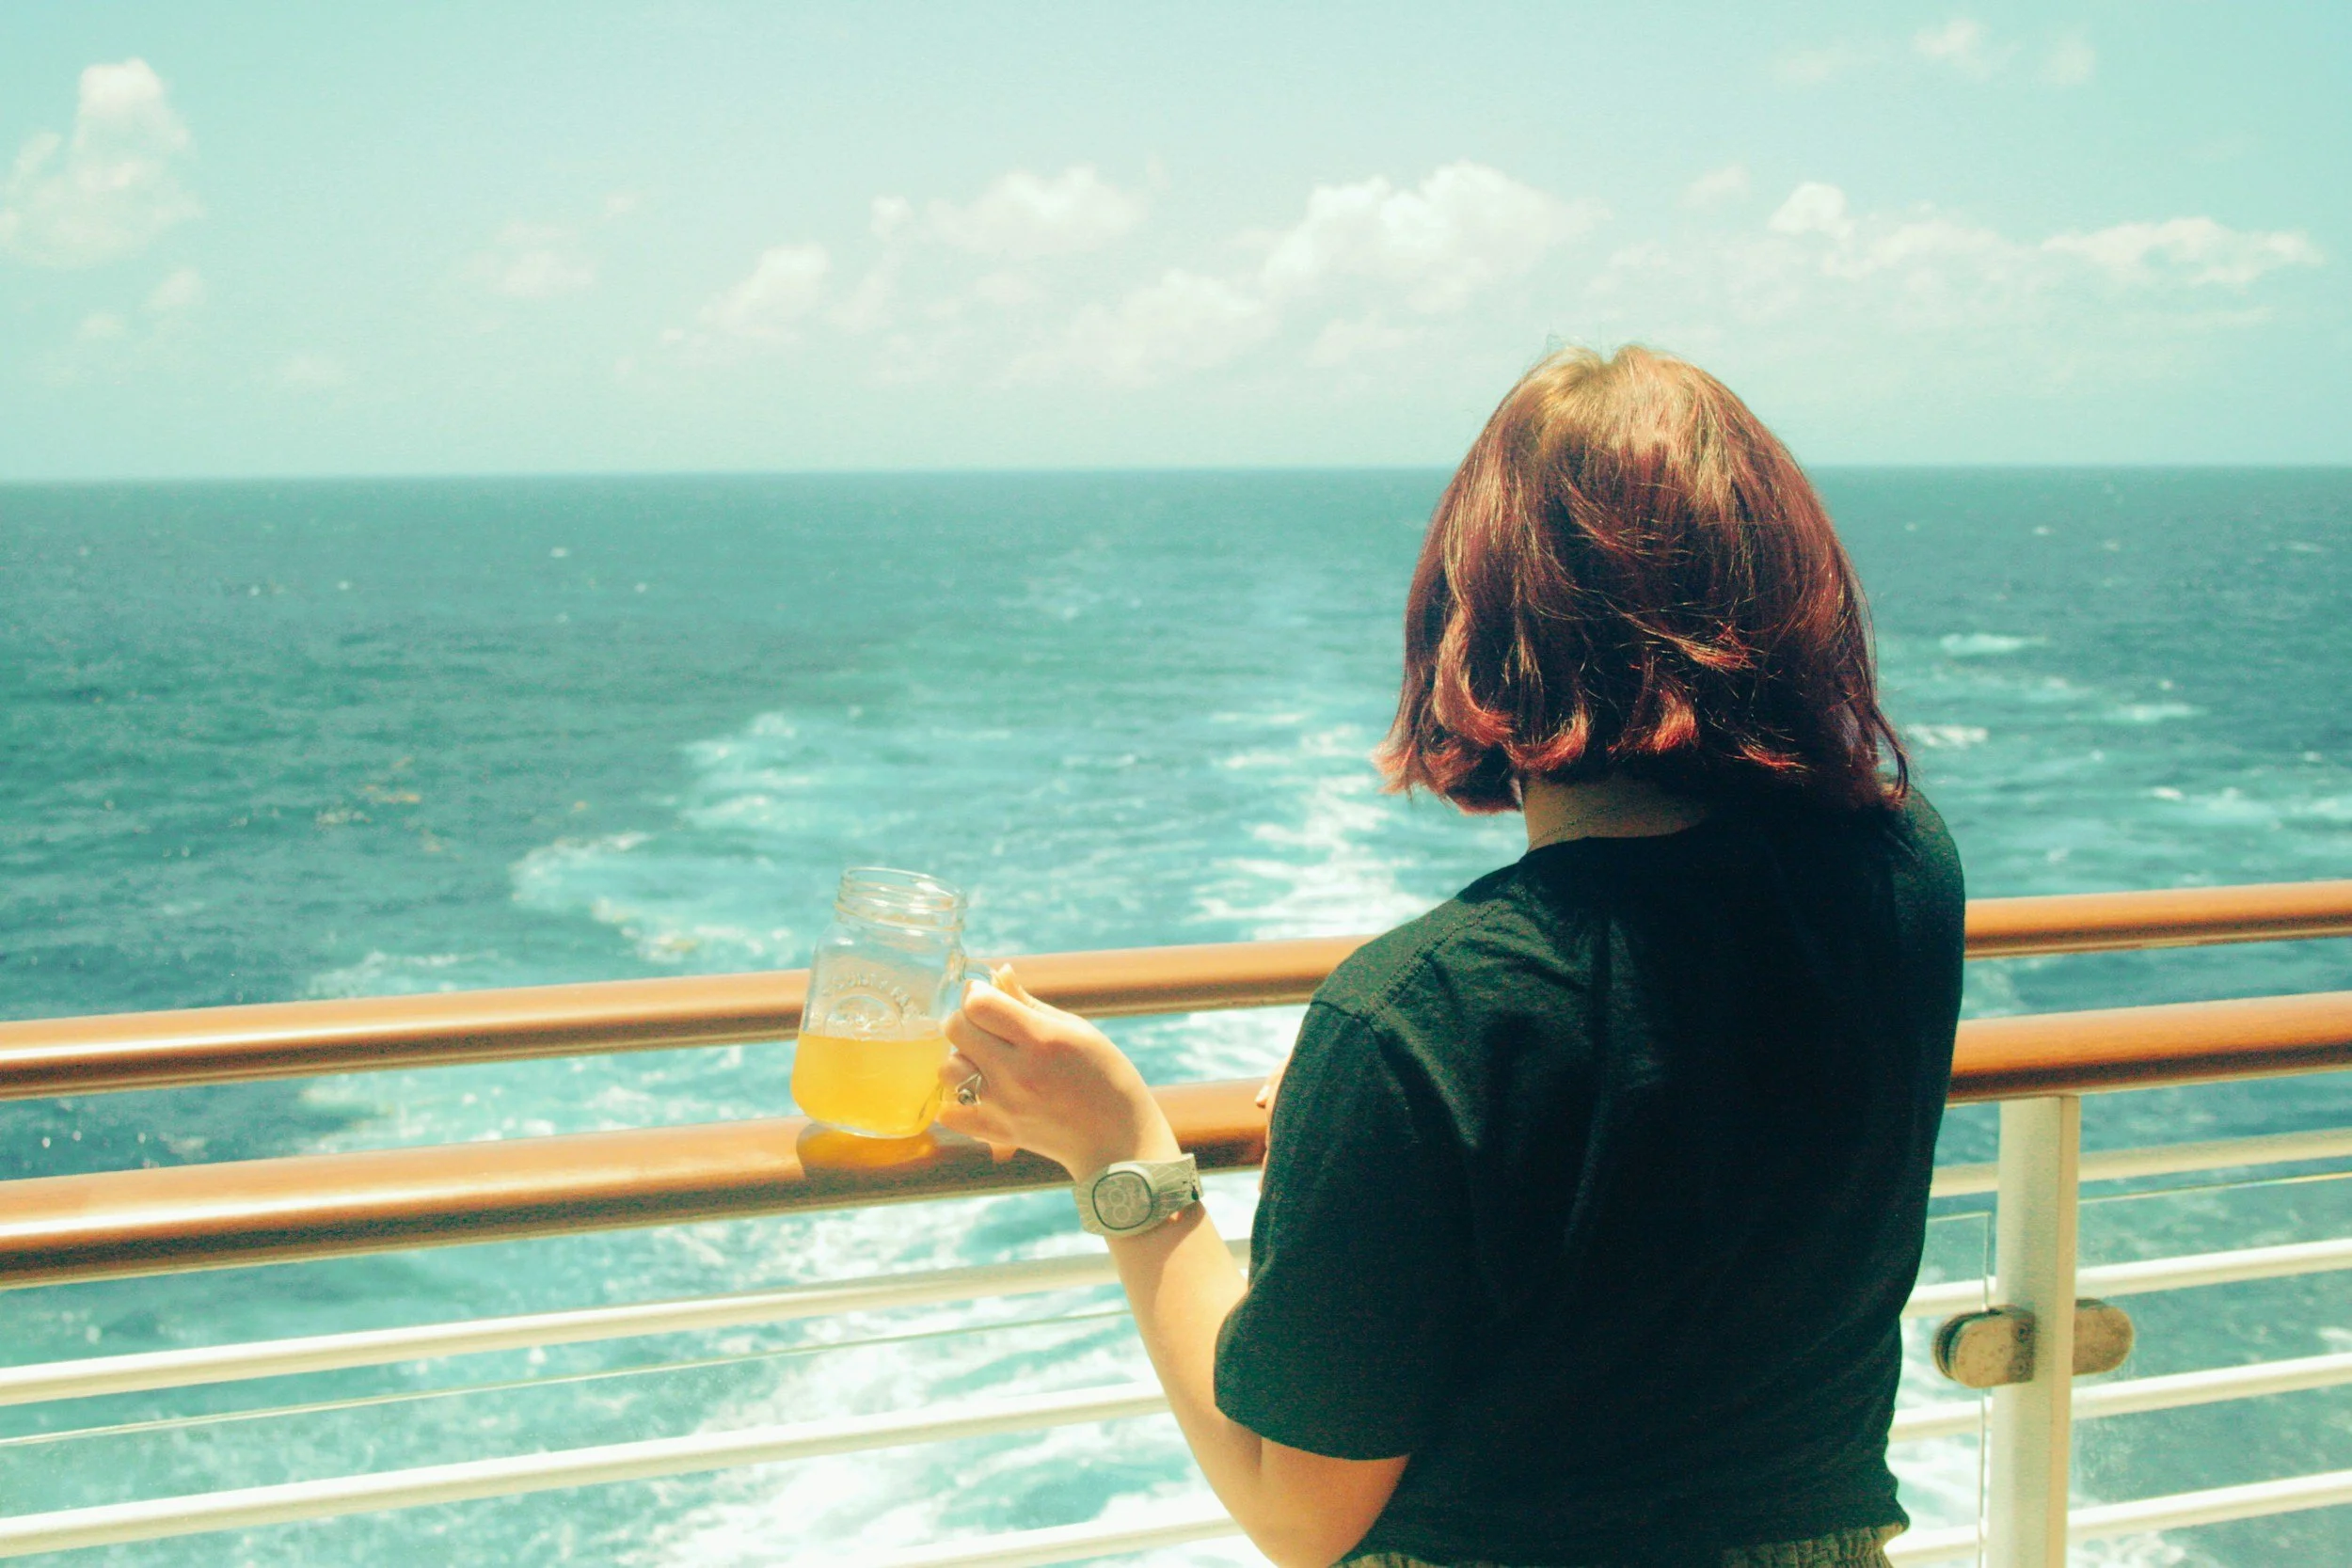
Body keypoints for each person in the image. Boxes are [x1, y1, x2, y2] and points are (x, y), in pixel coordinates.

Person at [937, 345, 1965, 1568]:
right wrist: (1373, 1133)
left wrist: (1121, 1146)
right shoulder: (1903, 870)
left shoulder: (1418, 1019)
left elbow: (1298, 1510)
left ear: (1485, 644)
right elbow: (1678, 1120)